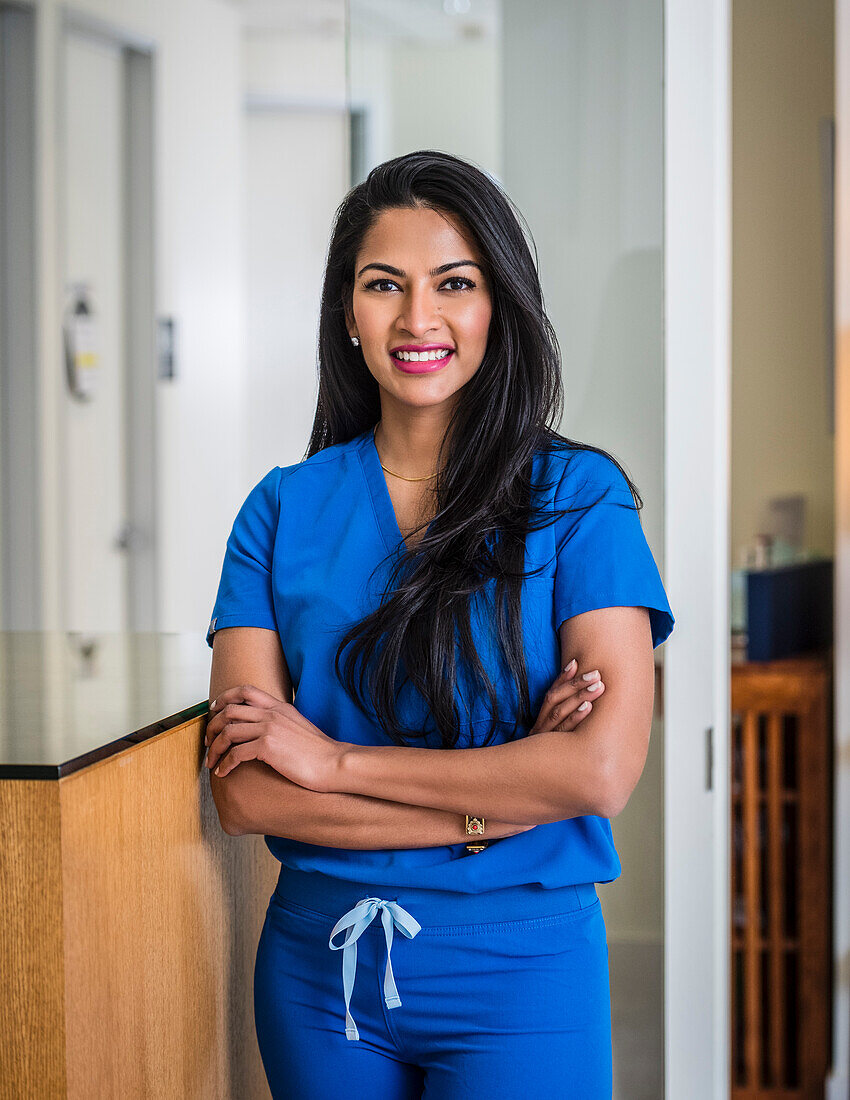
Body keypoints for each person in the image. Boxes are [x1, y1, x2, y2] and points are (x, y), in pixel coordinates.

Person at [203, 149, 675, 1099]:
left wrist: (333, 762)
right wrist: (497, 799)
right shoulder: (279, 509)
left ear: (497, 305)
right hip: (318, 968)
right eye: (386, 285)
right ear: (348, 311)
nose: (418, 319)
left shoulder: (580, 501)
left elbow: (596, 771)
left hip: (522, 968)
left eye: (453, 284)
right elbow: (249, 794)